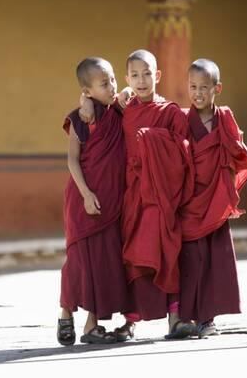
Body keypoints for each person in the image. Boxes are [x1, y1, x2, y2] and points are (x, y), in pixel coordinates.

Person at [79, 50, 195, 340]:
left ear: (157, 76)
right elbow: (99, 125)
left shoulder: (169, 111)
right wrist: (86, 103)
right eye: (134, 75)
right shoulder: (124, 109)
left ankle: (176, 318)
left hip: (161, 198)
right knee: (132, 257)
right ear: (127, 78)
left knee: (167, 254)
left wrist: (151, 139)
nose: (141, 81)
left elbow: (183, 152)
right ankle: (130, 322)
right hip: (132, 197)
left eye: (146, 74)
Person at [57, 57, 130, 346]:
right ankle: (65, 314)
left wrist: (116, 96)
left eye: (112, 79)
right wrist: (86, 194)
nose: (112, 86)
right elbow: (72, 160)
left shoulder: (118, 111)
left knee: (103, 262)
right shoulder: (80, 117)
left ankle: (92, 325)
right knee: (78, 261)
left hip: (111, 202)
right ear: (87, 91)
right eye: (104, 83)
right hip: (84, 198)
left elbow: (133, 93)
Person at [178, 58, 247, 338]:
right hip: (191, 199)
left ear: (217, 88)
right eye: (193, 86)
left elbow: (238, 152)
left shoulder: (224, 117)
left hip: (217, 200)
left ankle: (208, 319)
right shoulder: (183, 119)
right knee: (190, 260)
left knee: (215, 260)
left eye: (204, 87)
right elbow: (176, 156)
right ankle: (185, 317)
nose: (197, 93)